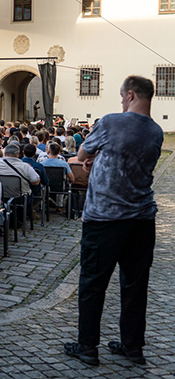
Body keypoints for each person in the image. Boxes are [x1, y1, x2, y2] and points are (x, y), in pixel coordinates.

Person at [64, 76, 162, 367]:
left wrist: (92, 160)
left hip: (105, 218)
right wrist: (104, 160)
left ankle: (87, 347)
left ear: (130, 95)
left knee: (93, 283)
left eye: (122, 96)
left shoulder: (110, 122)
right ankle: (133, 347)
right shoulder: (156, 132)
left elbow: (81, 156)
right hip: (142, 218)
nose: (121, 101)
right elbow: (130, 164)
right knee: (135, 285)